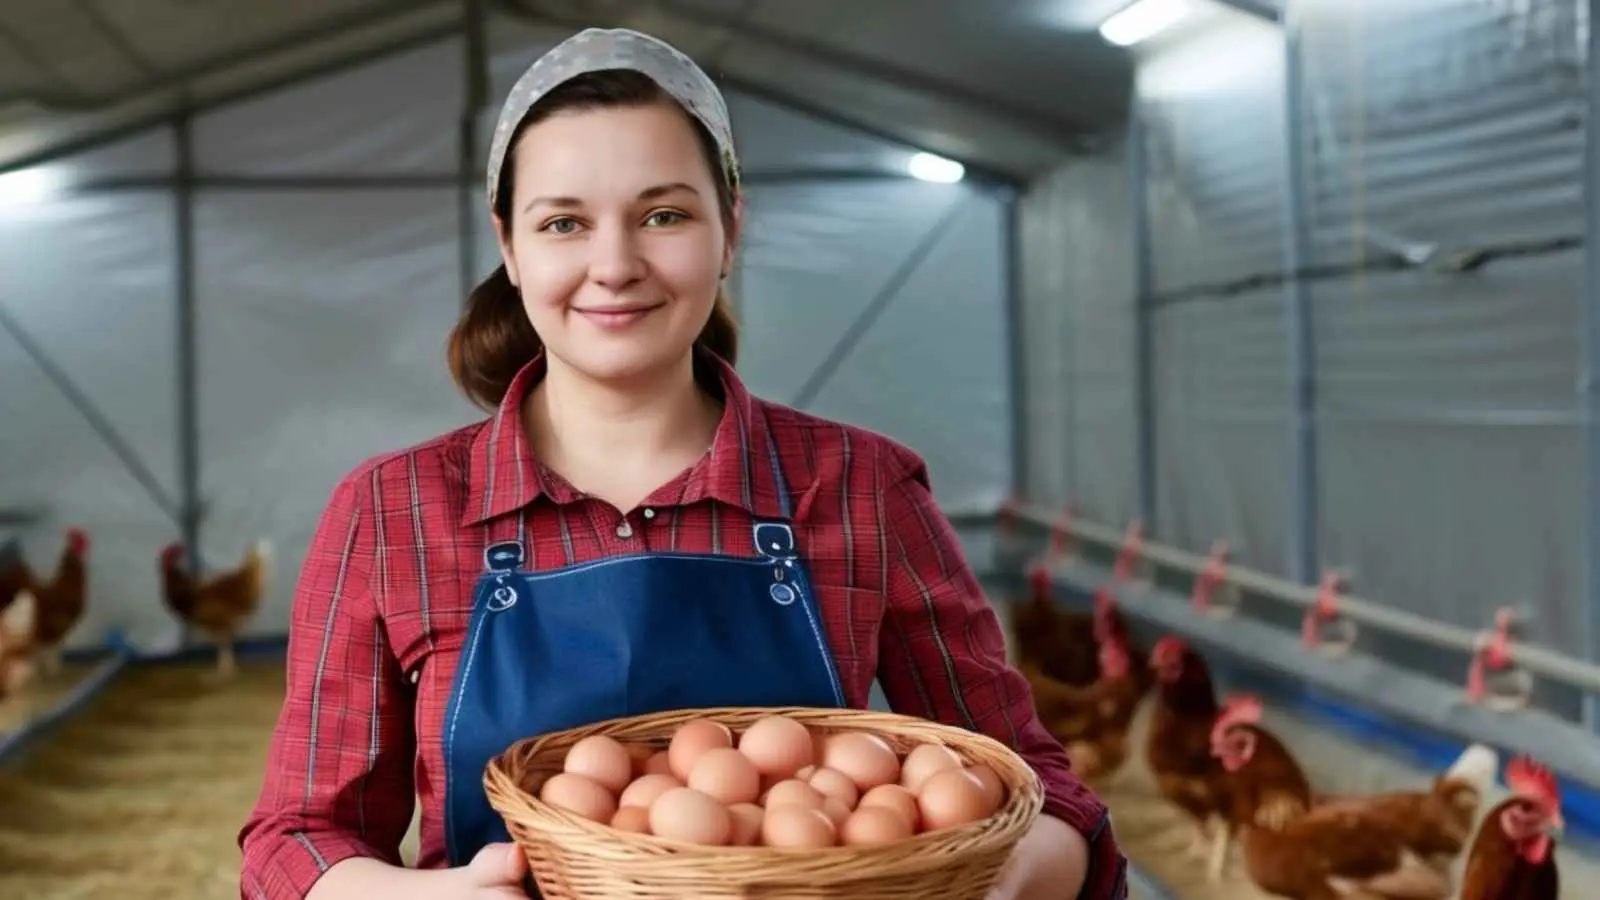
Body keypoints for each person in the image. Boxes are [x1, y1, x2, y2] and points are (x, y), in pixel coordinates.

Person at [238, 26, 1126, 900]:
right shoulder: (393, 510)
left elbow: (1042, 797)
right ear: (509, 247)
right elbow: (297, 840)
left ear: (730, 231)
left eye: (663, 215)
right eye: (564, 223)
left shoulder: (862, 489)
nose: (615, 265)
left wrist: (995, 888)